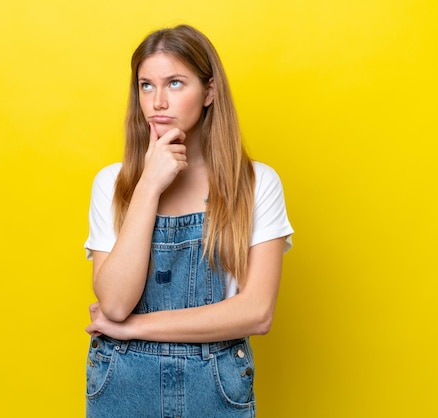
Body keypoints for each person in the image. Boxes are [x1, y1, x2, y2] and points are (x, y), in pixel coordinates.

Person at [83, 24, 293, 417]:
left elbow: (256, 313)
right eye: (146, 86)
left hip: (216, 388)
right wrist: (148, 186)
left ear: (209, 91)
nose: (158, 102)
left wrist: (134, 328)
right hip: (123, 383)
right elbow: (114, 303)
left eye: (175, 83)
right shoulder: (112, 184)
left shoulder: (255, 183)